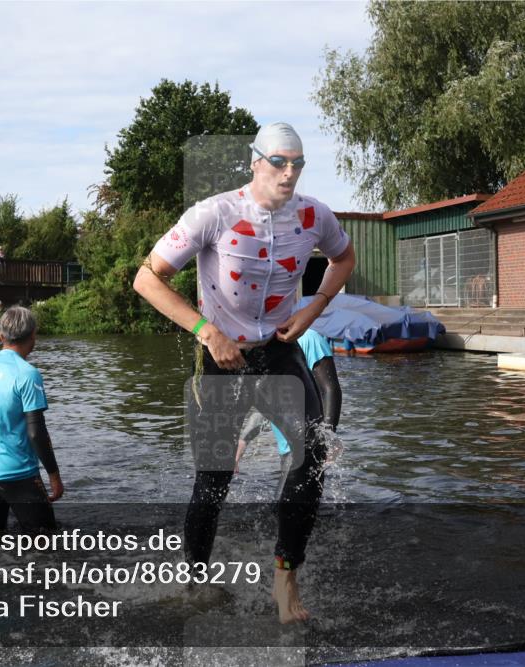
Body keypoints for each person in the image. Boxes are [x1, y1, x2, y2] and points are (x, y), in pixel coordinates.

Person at [133, 122, 355, 624]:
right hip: (221, 358)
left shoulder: (314, 215)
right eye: (279, 161)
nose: (289, 172)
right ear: (256, 162)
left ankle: (285, 574)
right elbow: (147, 278)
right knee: (212, 480)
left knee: (313, 451)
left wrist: (313, 308)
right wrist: (207, 332)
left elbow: (344, 258)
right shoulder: (214, 213)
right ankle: (194, 576)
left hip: (277, 351)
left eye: (297, 163)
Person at [0, 306, 64, 541]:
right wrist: (54, 476)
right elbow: (36, 433)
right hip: (18, 473)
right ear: (33, 335)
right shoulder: (27, 374)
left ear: (1, 337)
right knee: (48, 545)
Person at [235, 328, 343, 495]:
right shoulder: (262, 348)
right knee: (286, 509)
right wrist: (242, 443)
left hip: (308, 445)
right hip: (286, 449)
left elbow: (330, 389)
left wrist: (328, 436)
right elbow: (267, 408)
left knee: (287, 508)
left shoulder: (308, 338)